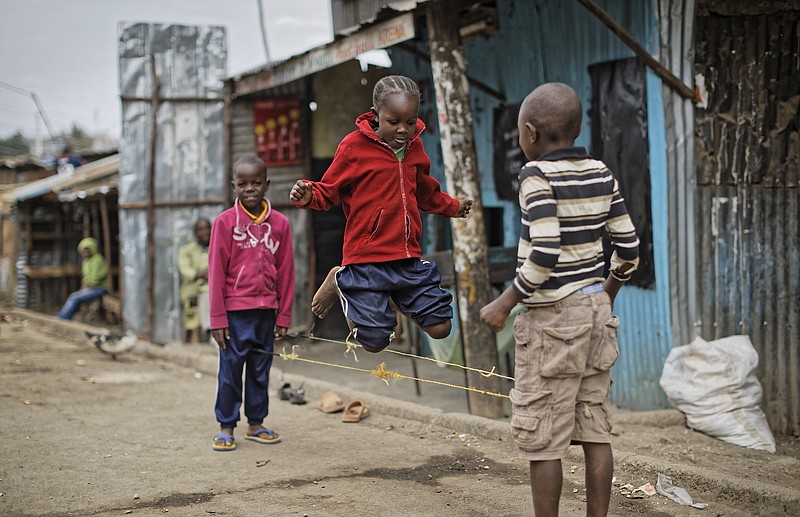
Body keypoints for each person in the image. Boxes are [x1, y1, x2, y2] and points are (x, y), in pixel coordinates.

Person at [479, 82, 640, 517]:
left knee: (542, 434)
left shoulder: (536, 177)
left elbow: (544, 253)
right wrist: (606, 293)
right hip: (595, 314)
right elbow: (628, 250)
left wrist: (505, 301)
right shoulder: (602, 173)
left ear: (530, 133)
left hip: (551, 318)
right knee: (594, 426)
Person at [289, 75, 472, 354]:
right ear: (376, 115)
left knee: (440, 327)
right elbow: (328, 192)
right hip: (366, 259)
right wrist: (308, 195)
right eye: (394, 121)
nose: (403, 130)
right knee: (374, 342)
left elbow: (425, 192)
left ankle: (393, 293)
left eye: (410, 122)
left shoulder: (415, 149)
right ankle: (342, 278)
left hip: (406, 257)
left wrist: (452, 207)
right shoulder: (353, 147)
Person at [207, 155, 294, 452]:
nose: (250, 189)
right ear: (233, 186)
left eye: (256, 183)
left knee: (260, 370)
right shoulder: (224, 223)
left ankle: (256, 424)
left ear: (267, 184)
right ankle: (226, 426)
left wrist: (283, 316)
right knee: (231, 370)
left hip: (266, 312)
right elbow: (216, 273)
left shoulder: (281, 224)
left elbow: (287, 273)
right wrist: (217, 319)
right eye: (242, 184)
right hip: (234, 314)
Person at [57, 237, 109, 320]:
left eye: (87, 251)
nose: (85, 253)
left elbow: (95, 278)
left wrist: (87, 286)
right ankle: (67, 317)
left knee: (74, 297)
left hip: (99, 288)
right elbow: (86, 278)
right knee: (75, 297)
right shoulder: (86, 261)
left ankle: (63, 318)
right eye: (83, 251)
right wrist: (84, 287)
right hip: (90, 288)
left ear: (92, 249)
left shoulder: (97, 260)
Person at [178, 217, 211, 344]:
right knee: (206, 294)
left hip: (213, 290)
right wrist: (200, 274)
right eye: (201, 229)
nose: (205, 232)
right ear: (196, 232)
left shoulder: (217, 247)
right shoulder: (187, 250)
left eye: (207, 228)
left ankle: (209, 330)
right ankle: (208, 329)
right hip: (193, 293)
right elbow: (186, 270)